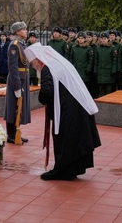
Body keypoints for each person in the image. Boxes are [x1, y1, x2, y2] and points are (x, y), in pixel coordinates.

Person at [25, 43, 101, 180]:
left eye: (32, 63)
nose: (33, 66)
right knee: (74, 138)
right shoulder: (57, 63)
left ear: (39, 60)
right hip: (76, 108)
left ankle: (63, 170)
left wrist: (41, 99)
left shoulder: (47, 68)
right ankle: (73, 169)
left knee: (67, 138)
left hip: (69, 110)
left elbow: (47, 90)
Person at [3, 22, 30, 144]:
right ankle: (11, 134)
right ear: (17, 32)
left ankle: (17, 131)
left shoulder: (22, 44)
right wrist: (17, 86)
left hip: (23, 78)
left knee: (19, 107)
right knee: (13, 107)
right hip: (17, 79)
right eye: (23, 29)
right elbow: (13, 68)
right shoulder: (14, 46)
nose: (26, 31)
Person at [95, 32, 118, 97]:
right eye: (102, 39)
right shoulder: (98, 48)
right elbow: (96, 61)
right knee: (101, 90)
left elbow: (114, 60)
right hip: (100, 72)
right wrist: (95, 70)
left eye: (105, 38)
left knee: (108, 90)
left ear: (108, 39)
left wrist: (113, 70)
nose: (103, 40)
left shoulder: (112, 48)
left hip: (109, 72)